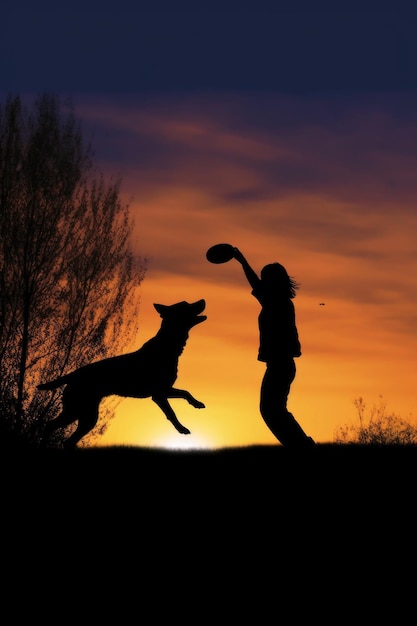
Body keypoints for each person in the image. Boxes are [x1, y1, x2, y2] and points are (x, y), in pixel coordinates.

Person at [232, 247, 315, 448]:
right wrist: (242, 262)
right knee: (273, 410)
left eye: (266, 279)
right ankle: (300, 446)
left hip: (281, 365)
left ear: (274, 282)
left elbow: (256, 285)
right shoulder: (276, 302)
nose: (262, 283)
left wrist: (242, 261)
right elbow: (257, 286)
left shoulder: (278, 303)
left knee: (271, 410)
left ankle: (302, 447)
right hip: (279, 365)